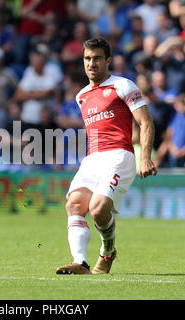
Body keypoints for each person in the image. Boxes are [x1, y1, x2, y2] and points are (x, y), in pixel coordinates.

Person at [55, 38, 157, 275]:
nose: (92, 63)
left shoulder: (122, 85)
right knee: (73, 204)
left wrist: (145, 157)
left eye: (97, 58)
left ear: (108, 60)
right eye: (87, 58)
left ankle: (108, 251)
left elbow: (145, 121)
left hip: (119, 155)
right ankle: (80, 262)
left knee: (99, 209)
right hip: (92, 159)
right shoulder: (81, 96)